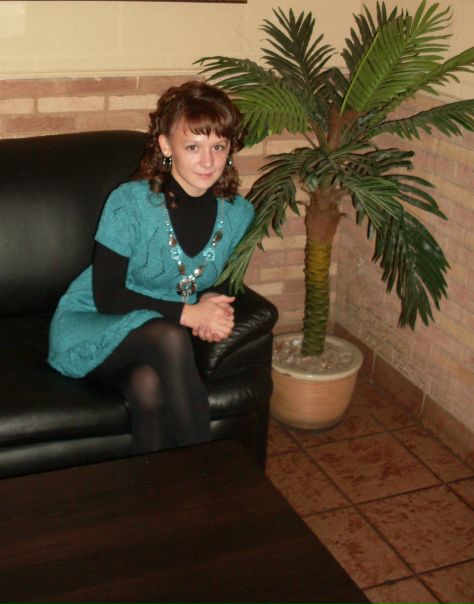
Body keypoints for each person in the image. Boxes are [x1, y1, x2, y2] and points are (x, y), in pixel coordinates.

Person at [48, 80, 254, 454]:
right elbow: (107, 296)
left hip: (154, 332)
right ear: (166, 146)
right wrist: (189, 314)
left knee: (147, 385)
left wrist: (213, 304)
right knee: (169, 336)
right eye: (193, 147)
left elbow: (218, 277)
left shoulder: (238, 214)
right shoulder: (130, 203)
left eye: (218, 146)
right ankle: (207, 471)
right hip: (93, 320)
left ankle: (158, 487)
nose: (208, 161)